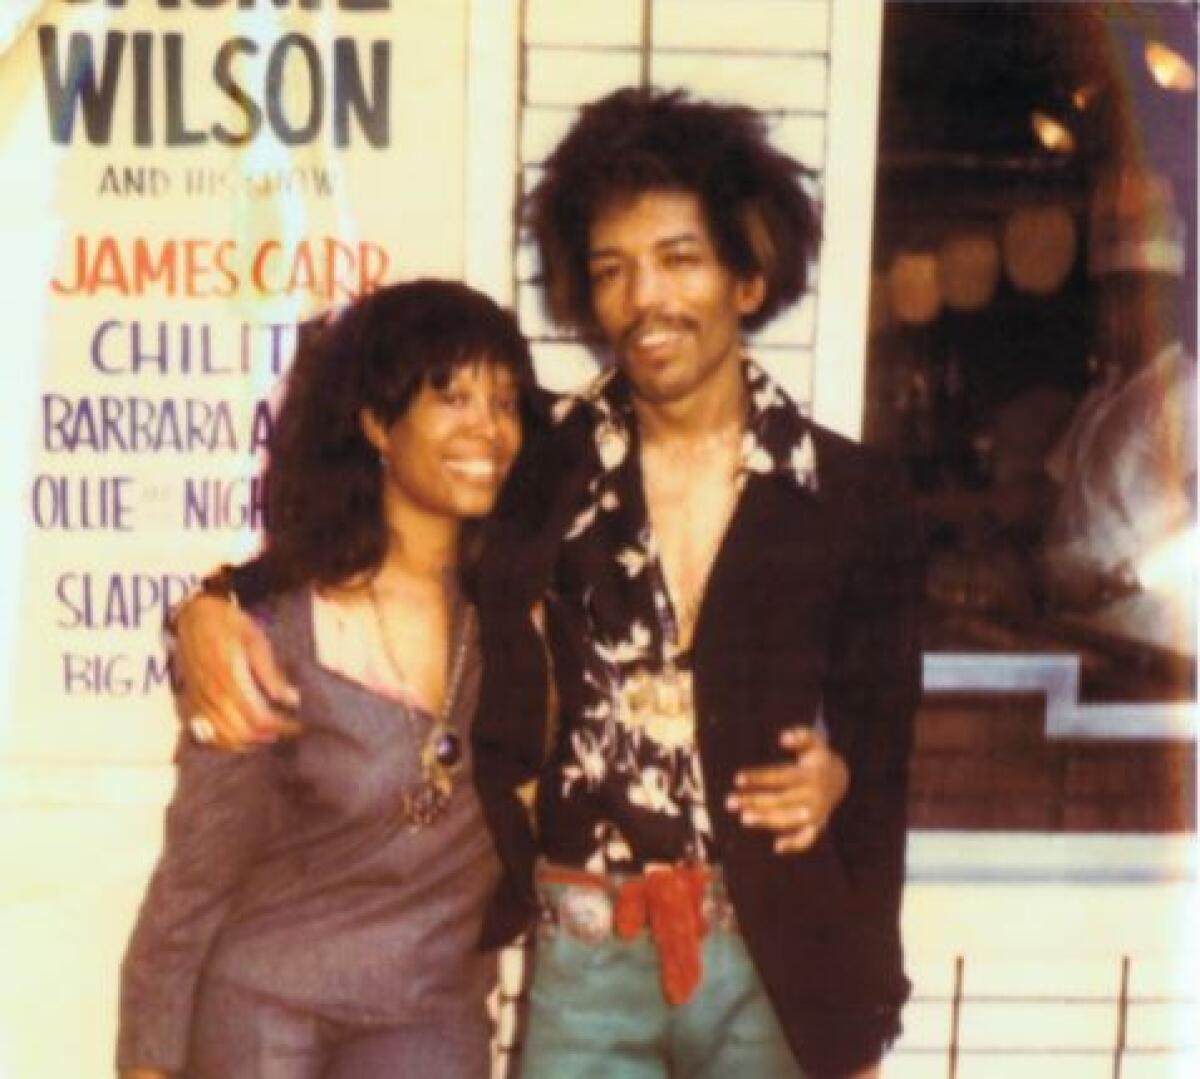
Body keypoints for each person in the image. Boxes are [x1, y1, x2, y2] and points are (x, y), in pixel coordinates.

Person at [177, 88, 922, 1078]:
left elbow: (881, 768)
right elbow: (388, 535)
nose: (643, 299)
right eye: (612, 270)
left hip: (776, 956)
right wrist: (218, 601)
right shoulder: (544, 467)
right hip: (587, 958)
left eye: (679, 258)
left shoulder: (853, 496)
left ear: (749, 275)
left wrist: (863, 1009)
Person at [117, 280, 535, 1079]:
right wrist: (147, 1065)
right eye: (452, 396)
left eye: (506, 401)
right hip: (263, 1010)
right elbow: (192, 884)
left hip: (430, 1012)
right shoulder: (275, 630)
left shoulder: (521, 621)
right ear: (378, 423)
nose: (488, 427)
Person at [1043, 165, 1197, 657]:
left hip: (1147, 642)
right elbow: (1048, 491)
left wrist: (1132, 578)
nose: (1103, 315)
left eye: (1118, 297)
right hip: (1083, 630)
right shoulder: (1106, 393)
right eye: (1105, 296)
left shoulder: (1184, 392)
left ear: (1153, 301)